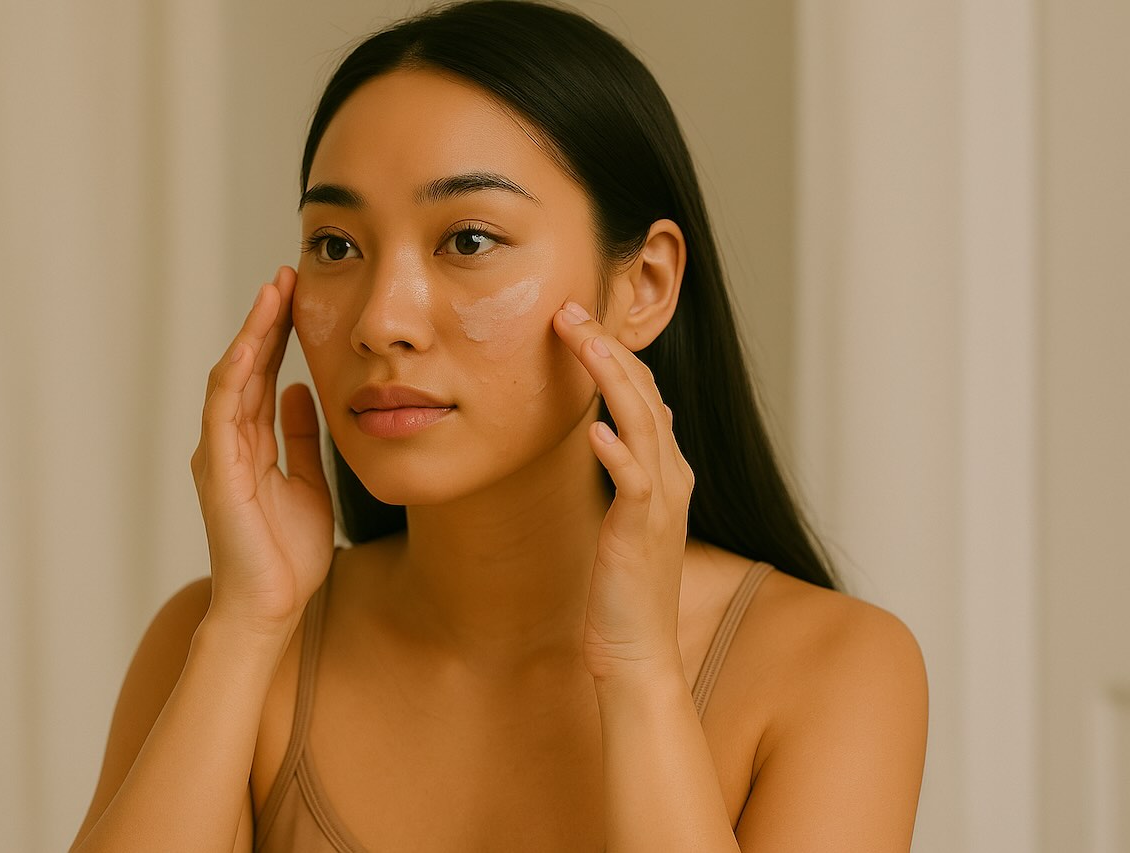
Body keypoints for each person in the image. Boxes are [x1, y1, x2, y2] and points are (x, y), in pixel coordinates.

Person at [69, 1, 928, 850]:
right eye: (335, 245)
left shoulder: (835, 668)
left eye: (469, 240)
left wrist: (638, 669)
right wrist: (246, 628)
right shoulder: (216, 638)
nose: (381, 320)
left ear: (645, 285)